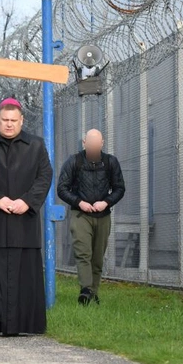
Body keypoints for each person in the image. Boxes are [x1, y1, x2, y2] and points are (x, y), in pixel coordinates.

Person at [0, 98, 52, 336]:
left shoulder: (36, 145)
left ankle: (24, 323)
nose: (9, 125)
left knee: (24, 275)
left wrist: (27, 201)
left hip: (24, 221)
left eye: (14, 121)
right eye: (5, 120)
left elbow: (44, 177)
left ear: (22, 120)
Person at [57, 129, 125, 305]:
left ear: (101, 143)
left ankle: (93, 292)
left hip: (103, 215)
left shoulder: (111, 162)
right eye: (90, 142)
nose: (94, 146)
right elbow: (62, 188)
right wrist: (79, 202)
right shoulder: (74, 162)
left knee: (97, 256)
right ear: (84, 143)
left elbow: (119, 188)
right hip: (80, 214)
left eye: (97, 143)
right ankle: (85, 289)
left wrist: (106, 202)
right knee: (83, 252)